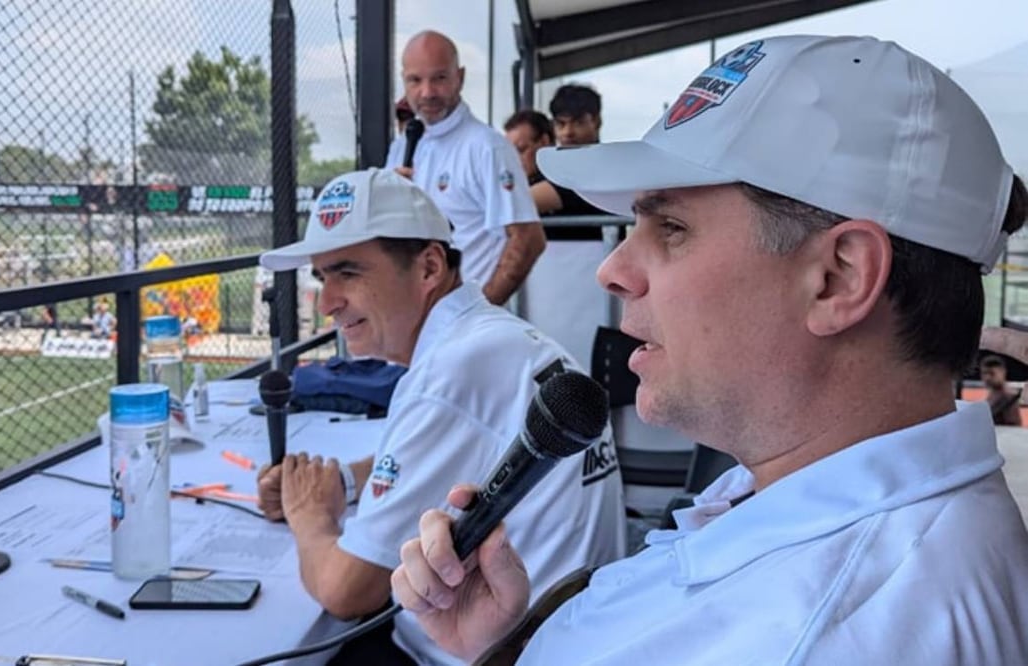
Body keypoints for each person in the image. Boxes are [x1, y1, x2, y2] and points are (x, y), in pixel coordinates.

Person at [392, 35, 1028, 665]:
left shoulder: (814, 634)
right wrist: (497, 646)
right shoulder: (799, 490)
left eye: (670, 227)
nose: (612, 270)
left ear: (840, 277)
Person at [256, 168, 625, 664]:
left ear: (429, 266)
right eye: (322, 277)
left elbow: (346, 593)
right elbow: (451, 459)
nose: (327, 303)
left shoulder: (449, 374)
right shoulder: (487, 338)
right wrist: (336, 482)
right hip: (565, 638)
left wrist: (310, 518)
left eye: (348, 272)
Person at [386, 30, 546, 306]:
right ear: (404, 81)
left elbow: (528, 239)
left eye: (439, 78)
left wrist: (479, 312)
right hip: (412, 322)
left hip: (464, 324)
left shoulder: (487, 146)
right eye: (415, 80)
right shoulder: (402, 147)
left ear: (459, 77)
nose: (427, 92)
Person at [526, 84, 605, 217]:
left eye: (578, 122)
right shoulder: (554, 169)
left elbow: (516, 203)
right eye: (561, 124)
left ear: (596, 122)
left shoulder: (599, 169)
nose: (568, 132)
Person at [503, 109, 554, 185]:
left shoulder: (559, 181)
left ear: (544, 142)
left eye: (521, 150)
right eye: (510, 152)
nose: (515, 159)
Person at [981, 355, 1023, 426]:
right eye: (985, 373)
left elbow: (1013, 425)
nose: (987, 377)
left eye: (992, 373)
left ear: (1002, 372)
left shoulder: (1008, 397)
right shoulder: (993, 394)